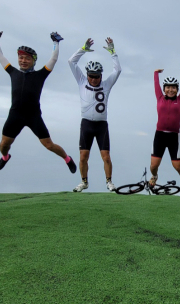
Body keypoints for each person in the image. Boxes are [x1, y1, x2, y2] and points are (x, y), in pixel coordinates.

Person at [0, 31, 76, 173]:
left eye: (27, 59)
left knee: (49, 145)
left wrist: (56, 43)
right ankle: (5, 157)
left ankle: (67, 159)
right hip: (15, 116)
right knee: (4, 144)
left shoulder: (40, 75)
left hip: (33, 117)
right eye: (21, 58)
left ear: (33, 61)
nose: (23, 61)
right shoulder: (13, 72)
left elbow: (53, 59)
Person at [68, 38, 121, 192]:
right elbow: (71, 62)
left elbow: (117, 70)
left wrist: (113, 52)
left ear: (100, 76)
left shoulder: (106, 84)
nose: (93, 79)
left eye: (96, 76)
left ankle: (109, 182)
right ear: (87, 75)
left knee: (106, 157)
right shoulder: (81, 81)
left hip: (101, 125)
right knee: (83, 156)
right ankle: (84, 182)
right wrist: (83, 49)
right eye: (91, 75)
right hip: (86, 124)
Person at [149, 67, 180, 190]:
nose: (170, 90)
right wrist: (155, 73)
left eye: (173, 87)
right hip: (160, 135)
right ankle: (154, 176)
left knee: (177, 166)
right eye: (168, 87)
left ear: (177, 89)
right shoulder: (160, 98)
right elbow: (156, 84)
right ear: (164, 89)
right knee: (153, 165)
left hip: (174, 136)